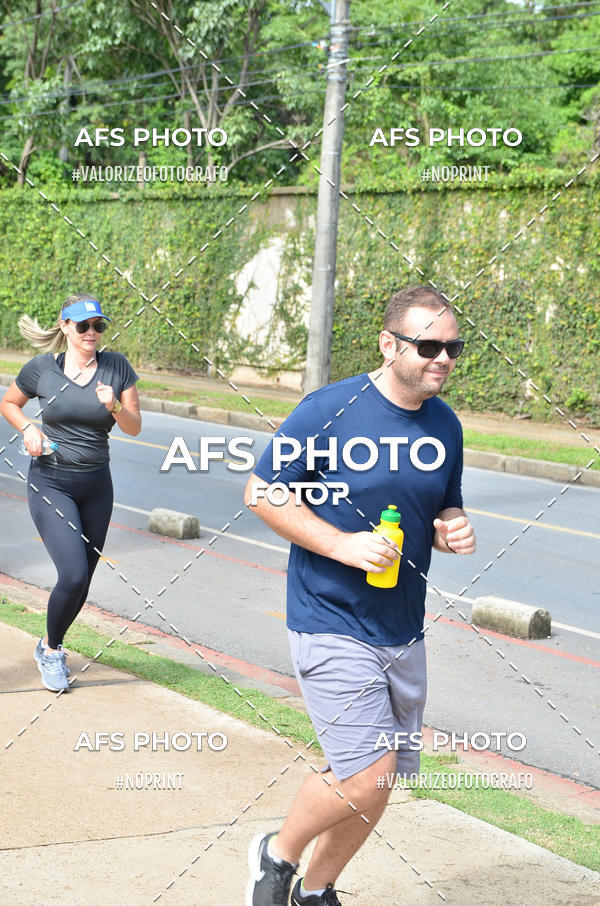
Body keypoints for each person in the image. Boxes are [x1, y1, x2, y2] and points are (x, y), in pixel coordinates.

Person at [244, 285, 476, 906]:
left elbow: (441, 501)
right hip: (329, 619)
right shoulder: (328, 411)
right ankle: (277, 854)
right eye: (430, 345)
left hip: (402, 628)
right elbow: (262, 493)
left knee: (382, 781)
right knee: (368, 775)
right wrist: (343, 546)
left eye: (454, 347)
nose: (444, 358)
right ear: (389, 343)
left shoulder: (445, 425)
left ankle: (317, 891)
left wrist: (451, 525)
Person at [0, 293, 141, 692]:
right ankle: (52, 651)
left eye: (98, 326)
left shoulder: (117, 367)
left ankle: (49, 644)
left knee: (84, 579)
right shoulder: (42, 369)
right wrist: (29, 429)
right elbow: (9, 403)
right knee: (73, 571)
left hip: (97, 485)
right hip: (51, 481)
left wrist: (114, 404)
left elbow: (133, 426)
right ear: (64, 327)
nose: (91, 333)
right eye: (82, 326)